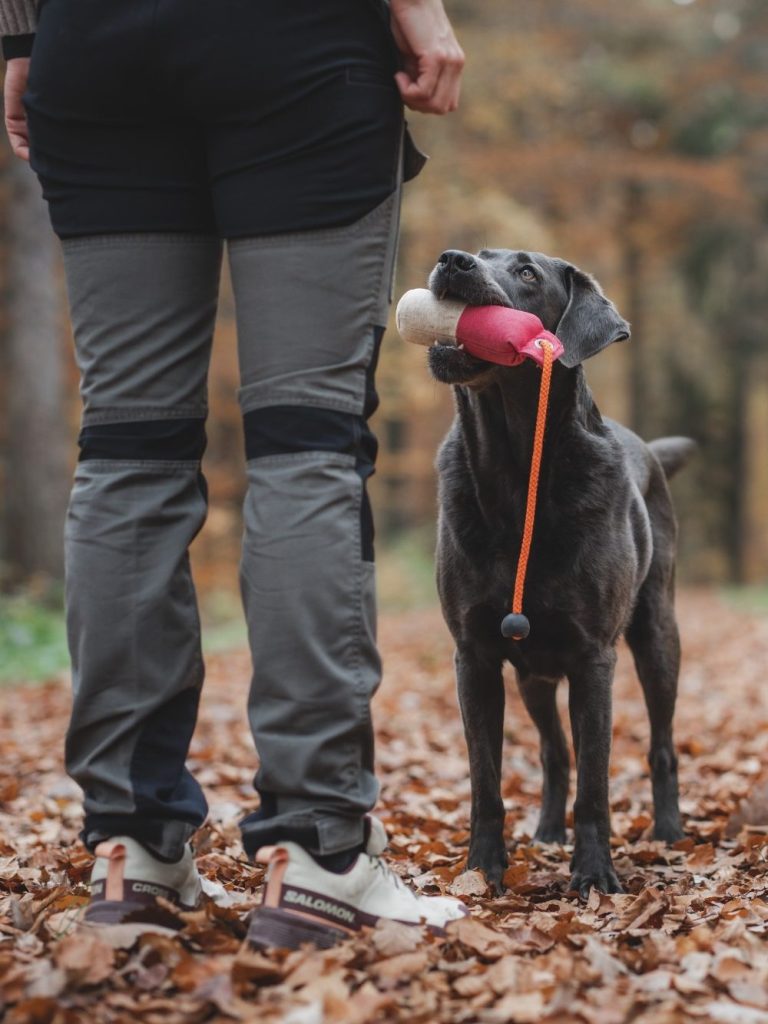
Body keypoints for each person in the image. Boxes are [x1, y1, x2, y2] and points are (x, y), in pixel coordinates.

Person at [1, 0, 467, 948]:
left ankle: (132, 851)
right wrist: (417, 9)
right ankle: (318, 852)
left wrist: (19, 37)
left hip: (94, 50)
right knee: (306, 444)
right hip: (293, 44)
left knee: (127, 450)